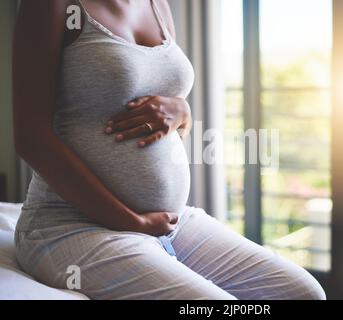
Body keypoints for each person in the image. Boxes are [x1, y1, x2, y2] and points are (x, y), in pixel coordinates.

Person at [12, 0, 325, 300]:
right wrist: (132, 222)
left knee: (302, 293)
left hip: (167, 222)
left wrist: (182, 110)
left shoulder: (157, 4)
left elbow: (166, 117)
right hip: (70, 225)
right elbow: (31, 139)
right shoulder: (53, 4)